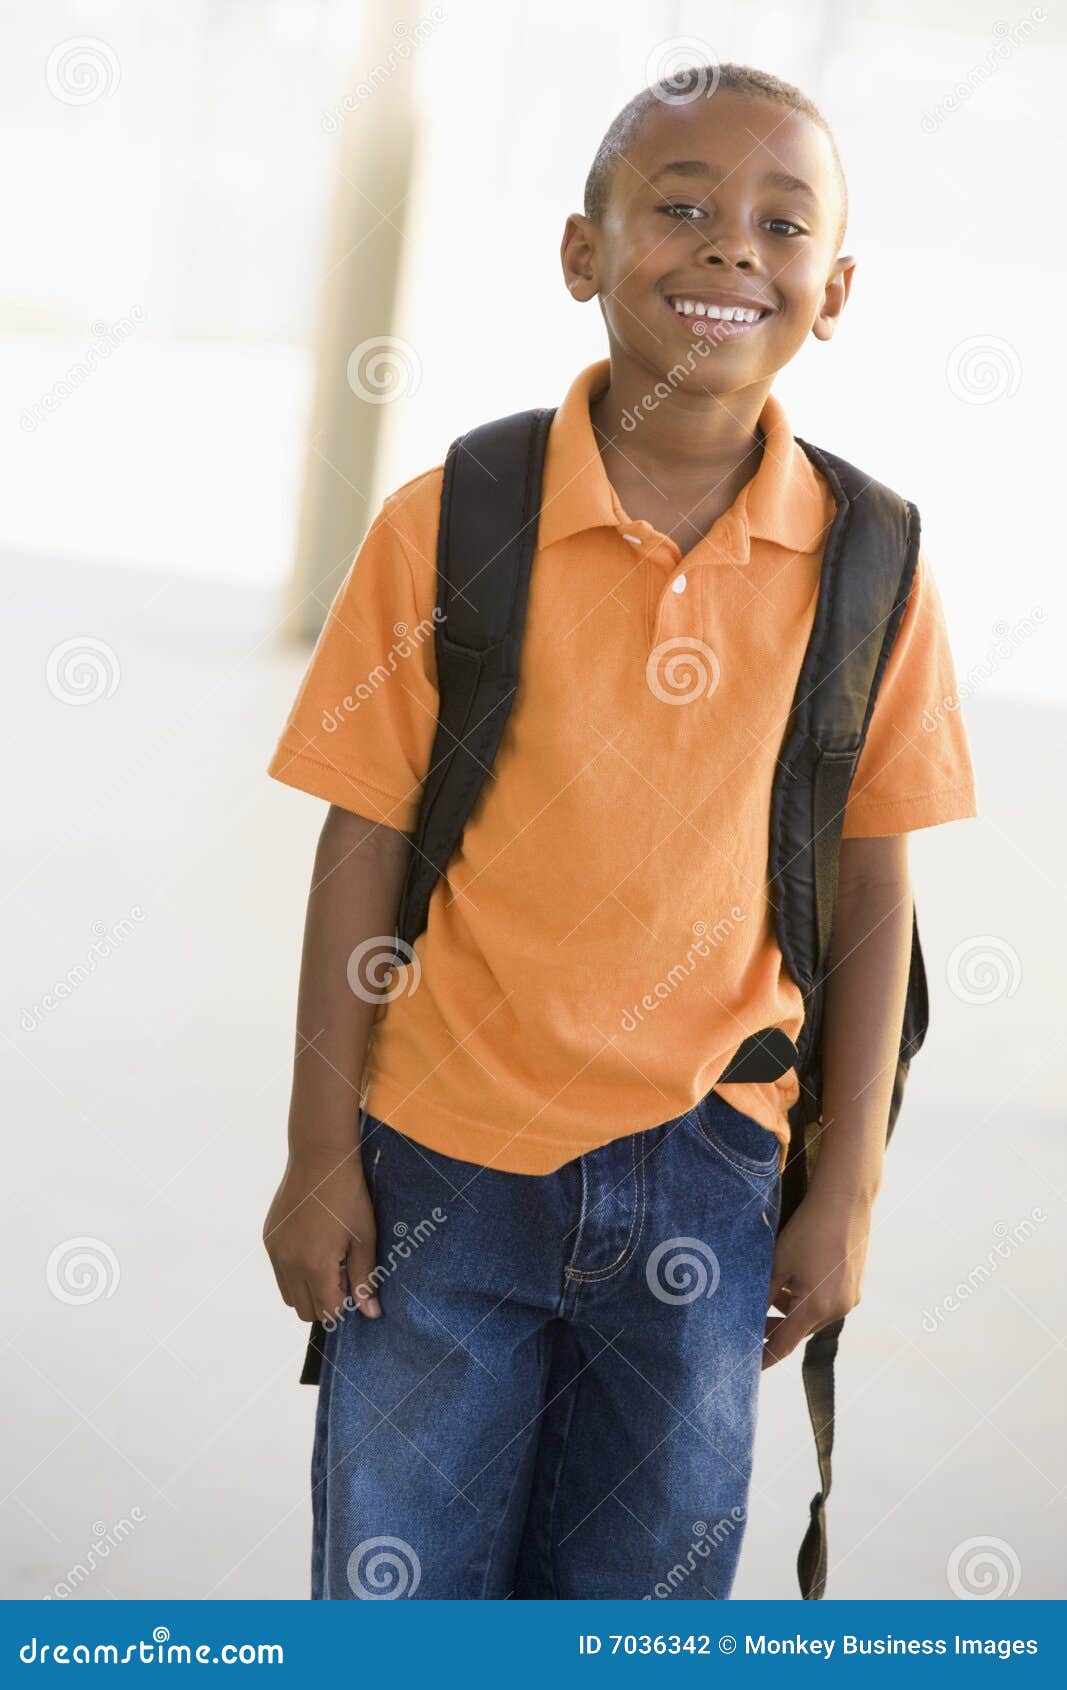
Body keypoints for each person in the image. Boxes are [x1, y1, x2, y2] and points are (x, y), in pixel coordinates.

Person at [263, 62, 978, 1600]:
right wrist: (321, 1150)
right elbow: (361, 849)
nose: (732, 248)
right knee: (402, 1587)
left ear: (832, 289)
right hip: (435, 1166)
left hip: (712, 1167)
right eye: (681, 208)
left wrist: (844, 1184)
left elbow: (873, 887)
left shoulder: (871, 562)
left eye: (781, 224)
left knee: (642, 1597)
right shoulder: (454, 517)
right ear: (583, 254)